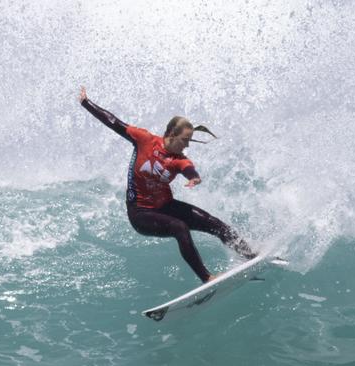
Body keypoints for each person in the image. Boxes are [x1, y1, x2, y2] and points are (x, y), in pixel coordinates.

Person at [78, 86, 256, 283]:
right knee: (179, 227)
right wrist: (87, 103)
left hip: (167, 207)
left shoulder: (180, 160)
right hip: (140, 213)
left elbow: (189, 170)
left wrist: (193, 177)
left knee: (217, 225)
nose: (187, 145)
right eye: (185, 140)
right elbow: (113, 122)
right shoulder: (144, 140)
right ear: (171, 133)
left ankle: (251, 257)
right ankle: (207, 278)